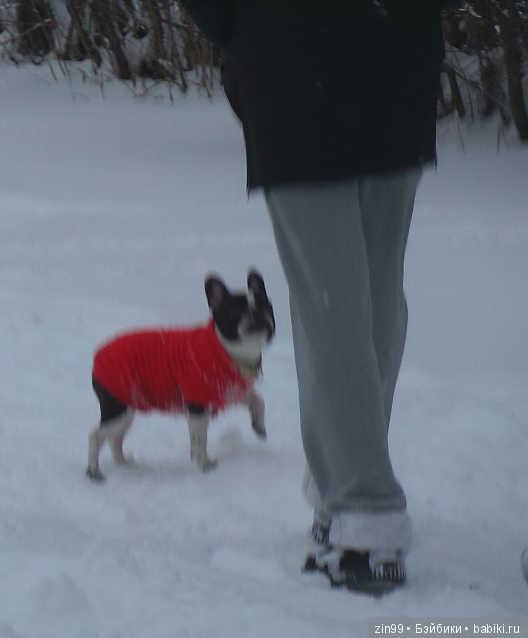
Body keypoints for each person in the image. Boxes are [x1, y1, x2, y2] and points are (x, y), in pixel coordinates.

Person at [180, 0, 456, 593]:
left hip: (295, 72)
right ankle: (344, 490)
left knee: (332, 307)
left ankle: (365, 511)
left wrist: (257, 28)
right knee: (373, 300)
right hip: (396, 61)